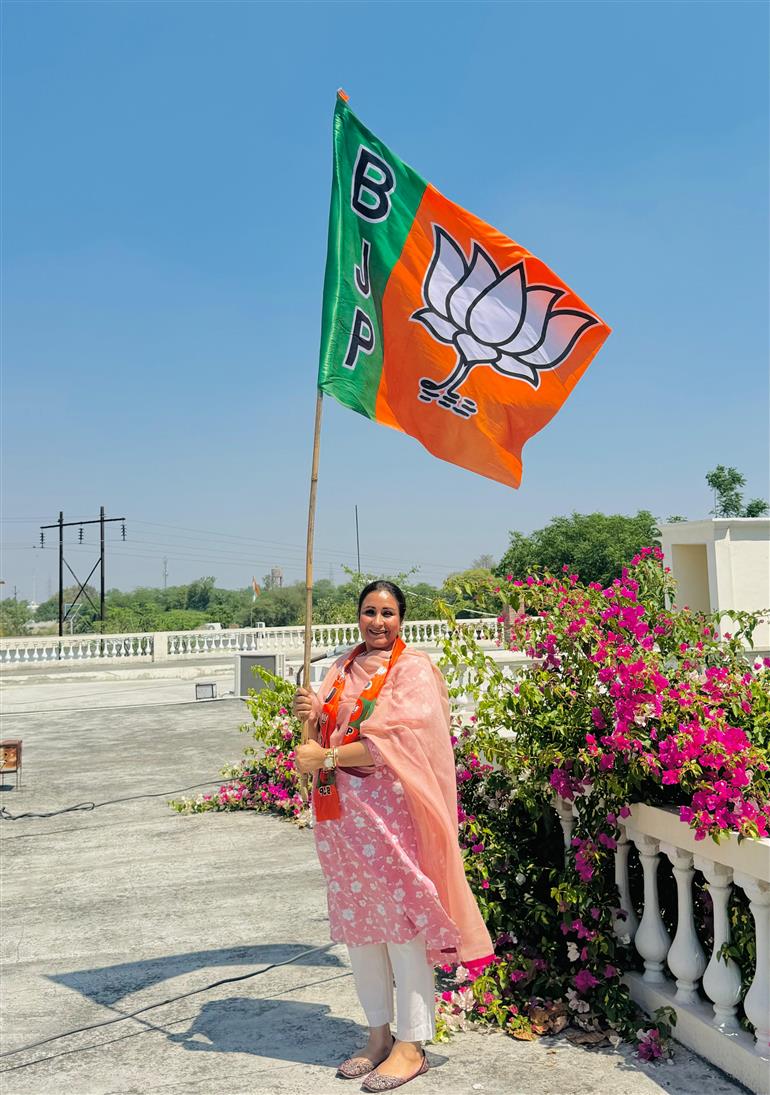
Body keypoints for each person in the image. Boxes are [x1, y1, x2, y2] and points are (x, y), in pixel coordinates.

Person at [293, 580, 493, 1091]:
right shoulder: (340, 669)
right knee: (362, 929)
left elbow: (397, 740)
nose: (377, 622)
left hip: (392, 818)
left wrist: (328, 755)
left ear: (401, 618)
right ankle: (378, 1035)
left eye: (387, 612)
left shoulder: (412, 670)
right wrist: (312, 720)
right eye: (369, 611)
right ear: (357, 616)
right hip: (341, 818)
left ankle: (412, 1044)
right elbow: (315, 748)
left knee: (404, 927)